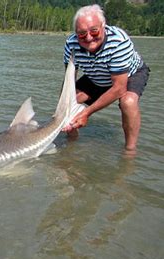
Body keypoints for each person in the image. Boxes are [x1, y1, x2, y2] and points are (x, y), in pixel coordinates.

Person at [62, 4, 150, 152]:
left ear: (104, 26)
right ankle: (71, 142)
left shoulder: (118, 42)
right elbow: (68, 83)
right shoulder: (71, 44)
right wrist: (62, 109)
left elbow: (118, 89)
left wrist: (86, 113)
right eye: (82, 33)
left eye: (94, 31)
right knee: (71, 102)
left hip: (129, 75)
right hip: (97, 75)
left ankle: (130, 150)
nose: (89, 38)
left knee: (127, 102)